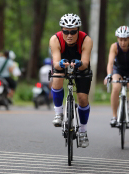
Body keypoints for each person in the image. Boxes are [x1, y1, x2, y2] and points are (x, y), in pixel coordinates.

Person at [49, 13, 93, 148]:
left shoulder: (86, 40)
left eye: (73, 32)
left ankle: (83, 131)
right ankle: (58, 113)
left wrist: (79, 64)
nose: (69, 35)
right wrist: (61, 64)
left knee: (82, 98)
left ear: (78, 30)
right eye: (66, 31)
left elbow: (85, 63)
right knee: (57, 79)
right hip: (62, 64)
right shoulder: (55, 39)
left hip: (80, 67)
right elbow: (55, 63)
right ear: (61, 30)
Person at [104, 26, 129, 129]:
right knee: (116, 88)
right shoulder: (114, 47)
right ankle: (114, 117)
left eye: (125, 40)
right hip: (118, 70)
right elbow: (110, 63)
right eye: (120, 40)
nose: (123, 42)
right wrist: (109, 75)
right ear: (117, 39)